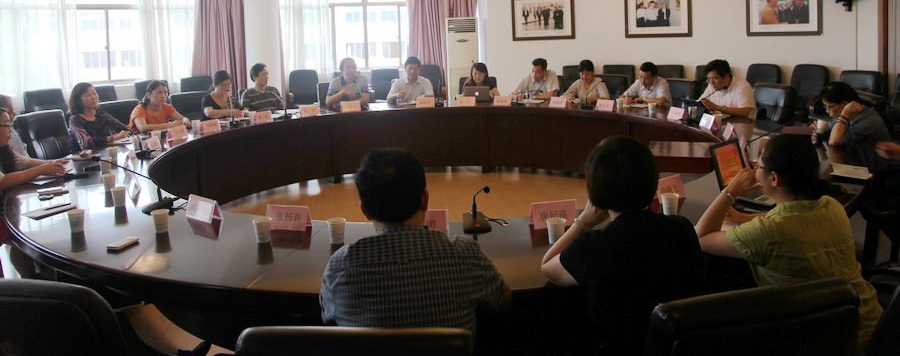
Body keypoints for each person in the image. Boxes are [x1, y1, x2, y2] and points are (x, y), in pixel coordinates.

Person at [694, 134, 882, 351]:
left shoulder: (769, 232)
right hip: (873, 327)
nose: (754, 170)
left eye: (758, 166)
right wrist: (741, 218)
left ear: (774, 178)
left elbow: (700, 238)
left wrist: (730, 191)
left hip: (829, 343)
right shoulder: (831, 206)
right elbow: (788, 220)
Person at [541, 137, 704, 355]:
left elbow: (547, 267)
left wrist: (583, 222)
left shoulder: (592, 246)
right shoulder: (681, 228)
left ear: (595, 191)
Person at [320, 148, 510, 333]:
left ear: (365, 210)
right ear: (424, 200)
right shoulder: (465, 255)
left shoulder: (339, 268)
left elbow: (327, 317)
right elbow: (503, 300)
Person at [1, 107, 68, 278]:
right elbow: (3, 181)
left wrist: (53, 163)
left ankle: (35, 280)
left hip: (6, 210)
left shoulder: (4, 149)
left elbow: (23, 162)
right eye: (6, 125)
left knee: (24, 241)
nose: (10, 130)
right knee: (30, 238)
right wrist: (41, 170)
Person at [819, 82, 893, 173]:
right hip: (856, 164)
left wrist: (845, 113)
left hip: (878, 171)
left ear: (844, 104)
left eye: (829, 107)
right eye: (825, 106)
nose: (827, 111)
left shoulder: (867, 120)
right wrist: (819, 132)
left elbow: (834, 141)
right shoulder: (842, 115)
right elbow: (832, 127)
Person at [68, 82, 129, 153]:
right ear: (78, 100)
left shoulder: (100, 113)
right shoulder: (75, 119)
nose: (93, 97)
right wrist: (113, 137)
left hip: (102, 153)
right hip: (81, 156)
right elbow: (86, 143)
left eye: (94, 93)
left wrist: (128, 132)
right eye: (88, 95)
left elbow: (123, 128)